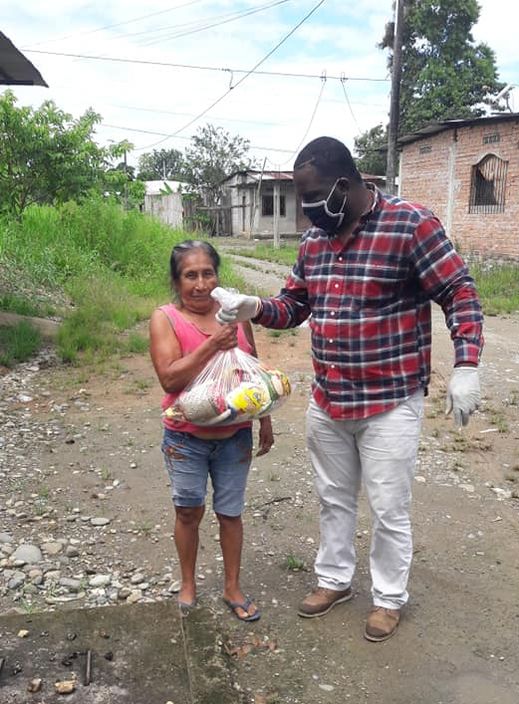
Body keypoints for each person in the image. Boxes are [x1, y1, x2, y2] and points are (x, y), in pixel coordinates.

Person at [212, 136, 483, 642]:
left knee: (388, 507)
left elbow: (458, 290)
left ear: (344, 184)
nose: (308, 209)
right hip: (329, 397)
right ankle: (334, 580)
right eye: (302, 199)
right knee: (333, 498)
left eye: (313, 196)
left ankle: (388, 598)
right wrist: (256, 307)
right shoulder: (315, 240)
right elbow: (295, 305)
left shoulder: (410, 225)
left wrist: (467, 363)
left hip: (389, 400)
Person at [149, 239, 274, 621]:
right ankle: (188, 583)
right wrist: (212, 346)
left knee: (230, 513)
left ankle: (232, 587)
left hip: (235, 436)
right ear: (177, 281)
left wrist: (265, 418)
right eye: (191, 275)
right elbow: (170, 379)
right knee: (188, 511)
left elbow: (252, 369)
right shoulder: (165, 319)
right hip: (185, 438)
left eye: (208, 273)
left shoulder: (234, 313)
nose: (201, 284)